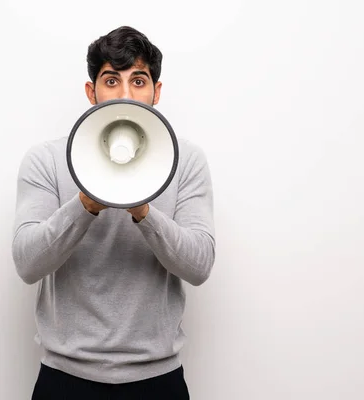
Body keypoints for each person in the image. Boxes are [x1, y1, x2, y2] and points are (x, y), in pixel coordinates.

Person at [11, 25, 216, 399]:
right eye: (111, 80)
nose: (125, 94)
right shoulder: (45, 160)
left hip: (158, 380)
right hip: (65, 378)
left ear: (156, 92)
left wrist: (142, 208)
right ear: (92, 93)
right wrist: (87, 202)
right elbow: (27, 263)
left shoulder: (186, 162)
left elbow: (199, 266)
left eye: (139, 81)